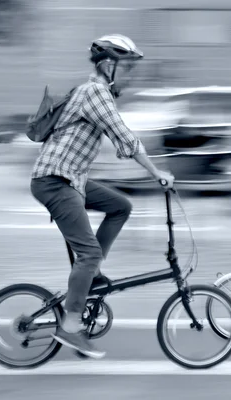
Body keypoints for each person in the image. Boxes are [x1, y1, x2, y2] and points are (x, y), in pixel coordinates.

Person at [30, 34, 175, 358]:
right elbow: (124, 136)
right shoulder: (95, 91)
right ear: (108, 64)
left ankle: (90, 275)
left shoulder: (96, 92)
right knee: (89, 253)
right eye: (128, 67)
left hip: (72, 179)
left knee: (120, 206)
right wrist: (157, 173)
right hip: (55, 181)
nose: (131, 74)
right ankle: (70, 324)